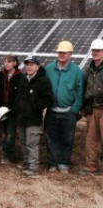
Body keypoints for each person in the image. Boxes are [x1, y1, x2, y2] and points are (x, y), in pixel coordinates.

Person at [44, 41, 84, 174]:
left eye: (64, 52)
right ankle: (52, 163)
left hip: (68, 112)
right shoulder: (49, 68)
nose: (61, 54)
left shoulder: (76, 71)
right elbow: (43, 87)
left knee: (67, 139)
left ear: (70, 54)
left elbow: (80, 91)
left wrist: (74, 109)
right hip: (51, 111)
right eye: (59, 52)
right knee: (51, 138)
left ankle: (63, 163)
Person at [15, 57, 53, 176]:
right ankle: (26, 162)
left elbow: (48, 99)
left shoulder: (43, 80)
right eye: (27, 65)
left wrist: (35, 107)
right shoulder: (23, 79)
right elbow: (18, 96)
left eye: (32, 65)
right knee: (23, 142)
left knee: (32, 143)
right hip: (21, 117)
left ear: (37, 66)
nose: (29, 67)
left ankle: (33, 167)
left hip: (33, 118)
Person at [0, 55, 22, 164]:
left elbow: (21, 96)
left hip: (13, 112)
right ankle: (5, 153)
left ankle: (9, 156)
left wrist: (14, 109)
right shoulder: (1, 75)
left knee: (10, 133)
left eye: (9, 61)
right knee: (3, 132)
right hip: (1, 110)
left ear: (14, 63)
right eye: (5, 61)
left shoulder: (20, 77)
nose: (6, 63)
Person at [79, 39, 103, 175]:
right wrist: (83, 105)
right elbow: (83, 88)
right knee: (91, 138)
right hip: (92, 108)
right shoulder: (88, 69)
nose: (95, 53)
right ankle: (91, 166)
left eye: (98, 50)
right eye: (93, 50)